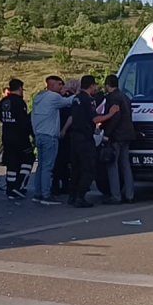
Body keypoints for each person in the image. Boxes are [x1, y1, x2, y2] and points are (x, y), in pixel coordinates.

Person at [94, 74, 137, 204]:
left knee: (112, 165)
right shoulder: (125, 97)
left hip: (116, 136)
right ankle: (130, 195)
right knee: (125, 165)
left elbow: (114, 118)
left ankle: (116, 195)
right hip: (128, 134)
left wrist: (106, 134)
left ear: (107, 85)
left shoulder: (112, 98)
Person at [60, 75, 101, 208]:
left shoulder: (76, 98)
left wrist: (64, 130)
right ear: (91, 86)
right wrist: (110, 114)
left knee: (76, 168)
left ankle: (72, 196)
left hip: (74, 137)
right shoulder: (89, 100)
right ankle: (80, 197)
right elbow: (95, 119)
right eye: (95, 85)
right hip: (85, 138)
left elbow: (72, 117)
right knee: (88, 168)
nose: (96, 88)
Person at [30, 76, 70, 205]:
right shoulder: (54, 97)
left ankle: (38, 193)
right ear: (52, 85)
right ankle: (46, 195)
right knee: (48, 167)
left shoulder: (38, 98)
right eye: (60, 84)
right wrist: (76, 94)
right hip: (50, 137)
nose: (61, 87)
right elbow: (69, 102)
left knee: (41, 166)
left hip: (39, 135)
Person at [0, 78, 34, 200]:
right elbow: (23, 123)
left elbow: (1, 119)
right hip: (20, 138)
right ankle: (19, 186)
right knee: (28, 160)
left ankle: (10, 188)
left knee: (12, 164)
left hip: (7, 137)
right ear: (19, 88)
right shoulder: (19, 102)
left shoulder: (3, 102)